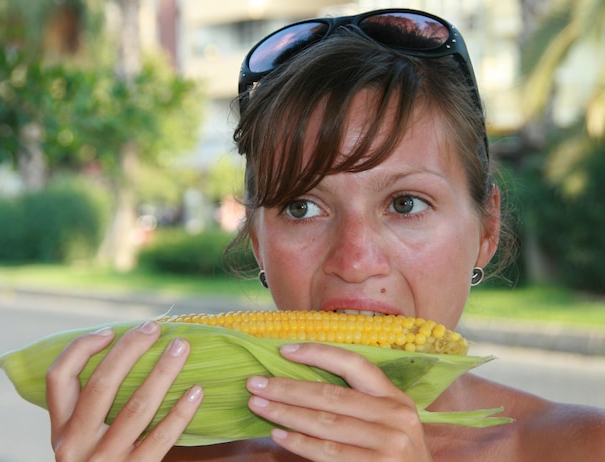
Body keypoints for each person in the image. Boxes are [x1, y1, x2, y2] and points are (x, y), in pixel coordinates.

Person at [45, 8, 605, 461]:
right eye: (302, 206)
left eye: (405, 203)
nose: (355, 260)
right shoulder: (173, 452)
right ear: (257, 239)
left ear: (486, 227)